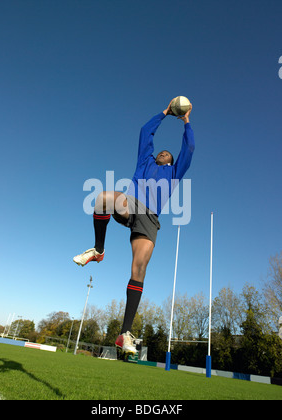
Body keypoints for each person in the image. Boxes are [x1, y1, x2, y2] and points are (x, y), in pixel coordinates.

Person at [73, 98, 195, 354]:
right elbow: (145, 131)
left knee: (138, 269)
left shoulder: (173, 174)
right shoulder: (145, 162)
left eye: (167, 153)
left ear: (171, 162)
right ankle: (98, 250)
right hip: (131, 203)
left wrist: (186, 121)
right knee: (102, 199)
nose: (163, 152)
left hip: (150, 219)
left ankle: (124, 333)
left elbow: (190, 148)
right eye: (160, 151)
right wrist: (165, 111)